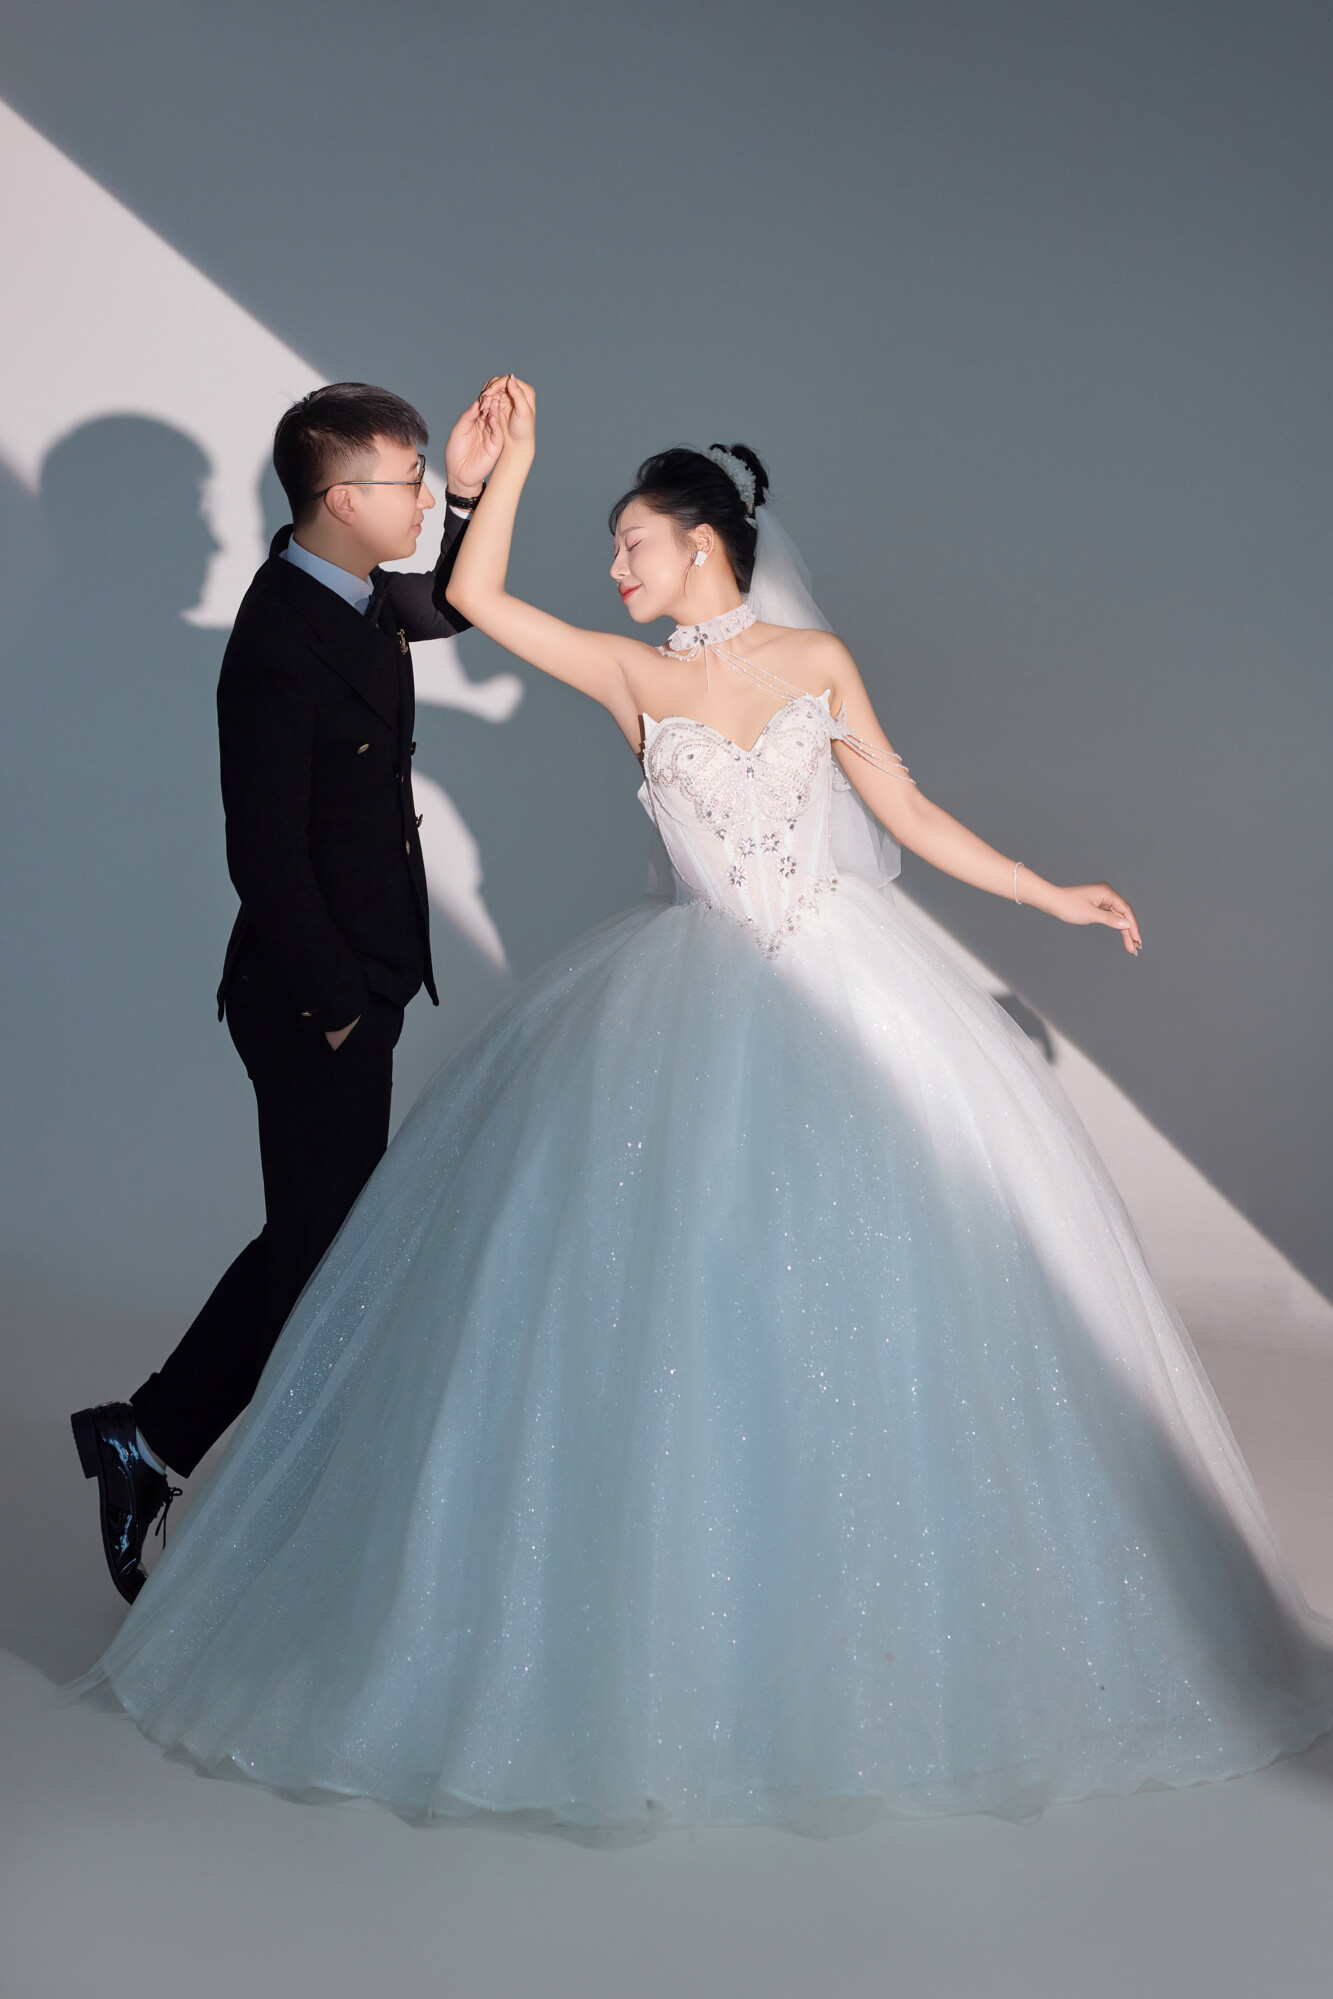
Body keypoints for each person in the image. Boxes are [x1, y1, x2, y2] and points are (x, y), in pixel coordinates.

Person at [75, 378, 1333, 1830]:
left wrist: (1047, 892)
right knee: (606, 1290)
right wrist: (510, 467)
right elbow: (468, 598)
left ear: (704, 544)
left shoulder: (816, 661)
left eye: (632, 542)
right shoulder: (627, 673)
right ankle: (202, 1460)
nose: (614, 567)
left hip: (844, 986)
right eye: (612, 546)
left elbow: (905, 811)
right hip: (664, 1008)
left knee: (889, 1290)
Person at [71, 381, 504, 1602]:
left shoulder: (355, 594)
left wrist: (469, 493)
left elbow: (453, 603)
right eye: (409, 479)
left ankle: (148, 1440)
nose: (419, 497)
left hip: (358, 983)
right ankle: (201, 1473)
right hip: (312, 999)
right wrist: (337, 1003)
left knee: (321, 1244)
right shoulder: (276, 639)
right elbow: (260, 855)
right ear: (342, 499)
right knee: (327, 1263)